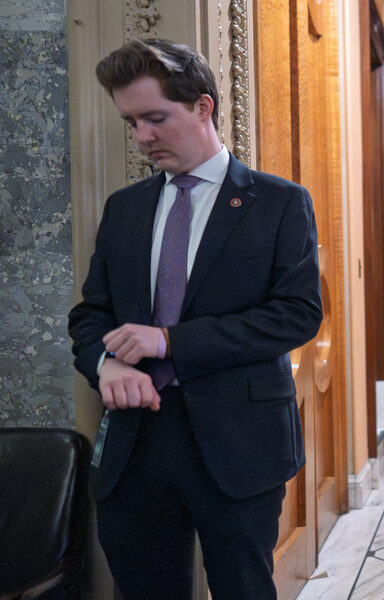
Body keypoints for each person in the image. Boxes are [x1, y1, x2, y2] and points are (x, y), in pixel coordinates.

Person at [68, 38, 322, 599]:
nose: (142, 137)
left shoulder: (279, 202)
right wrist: (107, 365)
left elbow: (297, 315)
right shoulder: (124, 209)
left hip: (240, 443)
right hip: (136, 446)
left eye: (155, 118)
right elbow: (91, 315)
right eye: (132, 122)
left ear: (203, 107)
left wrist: (168, 341)